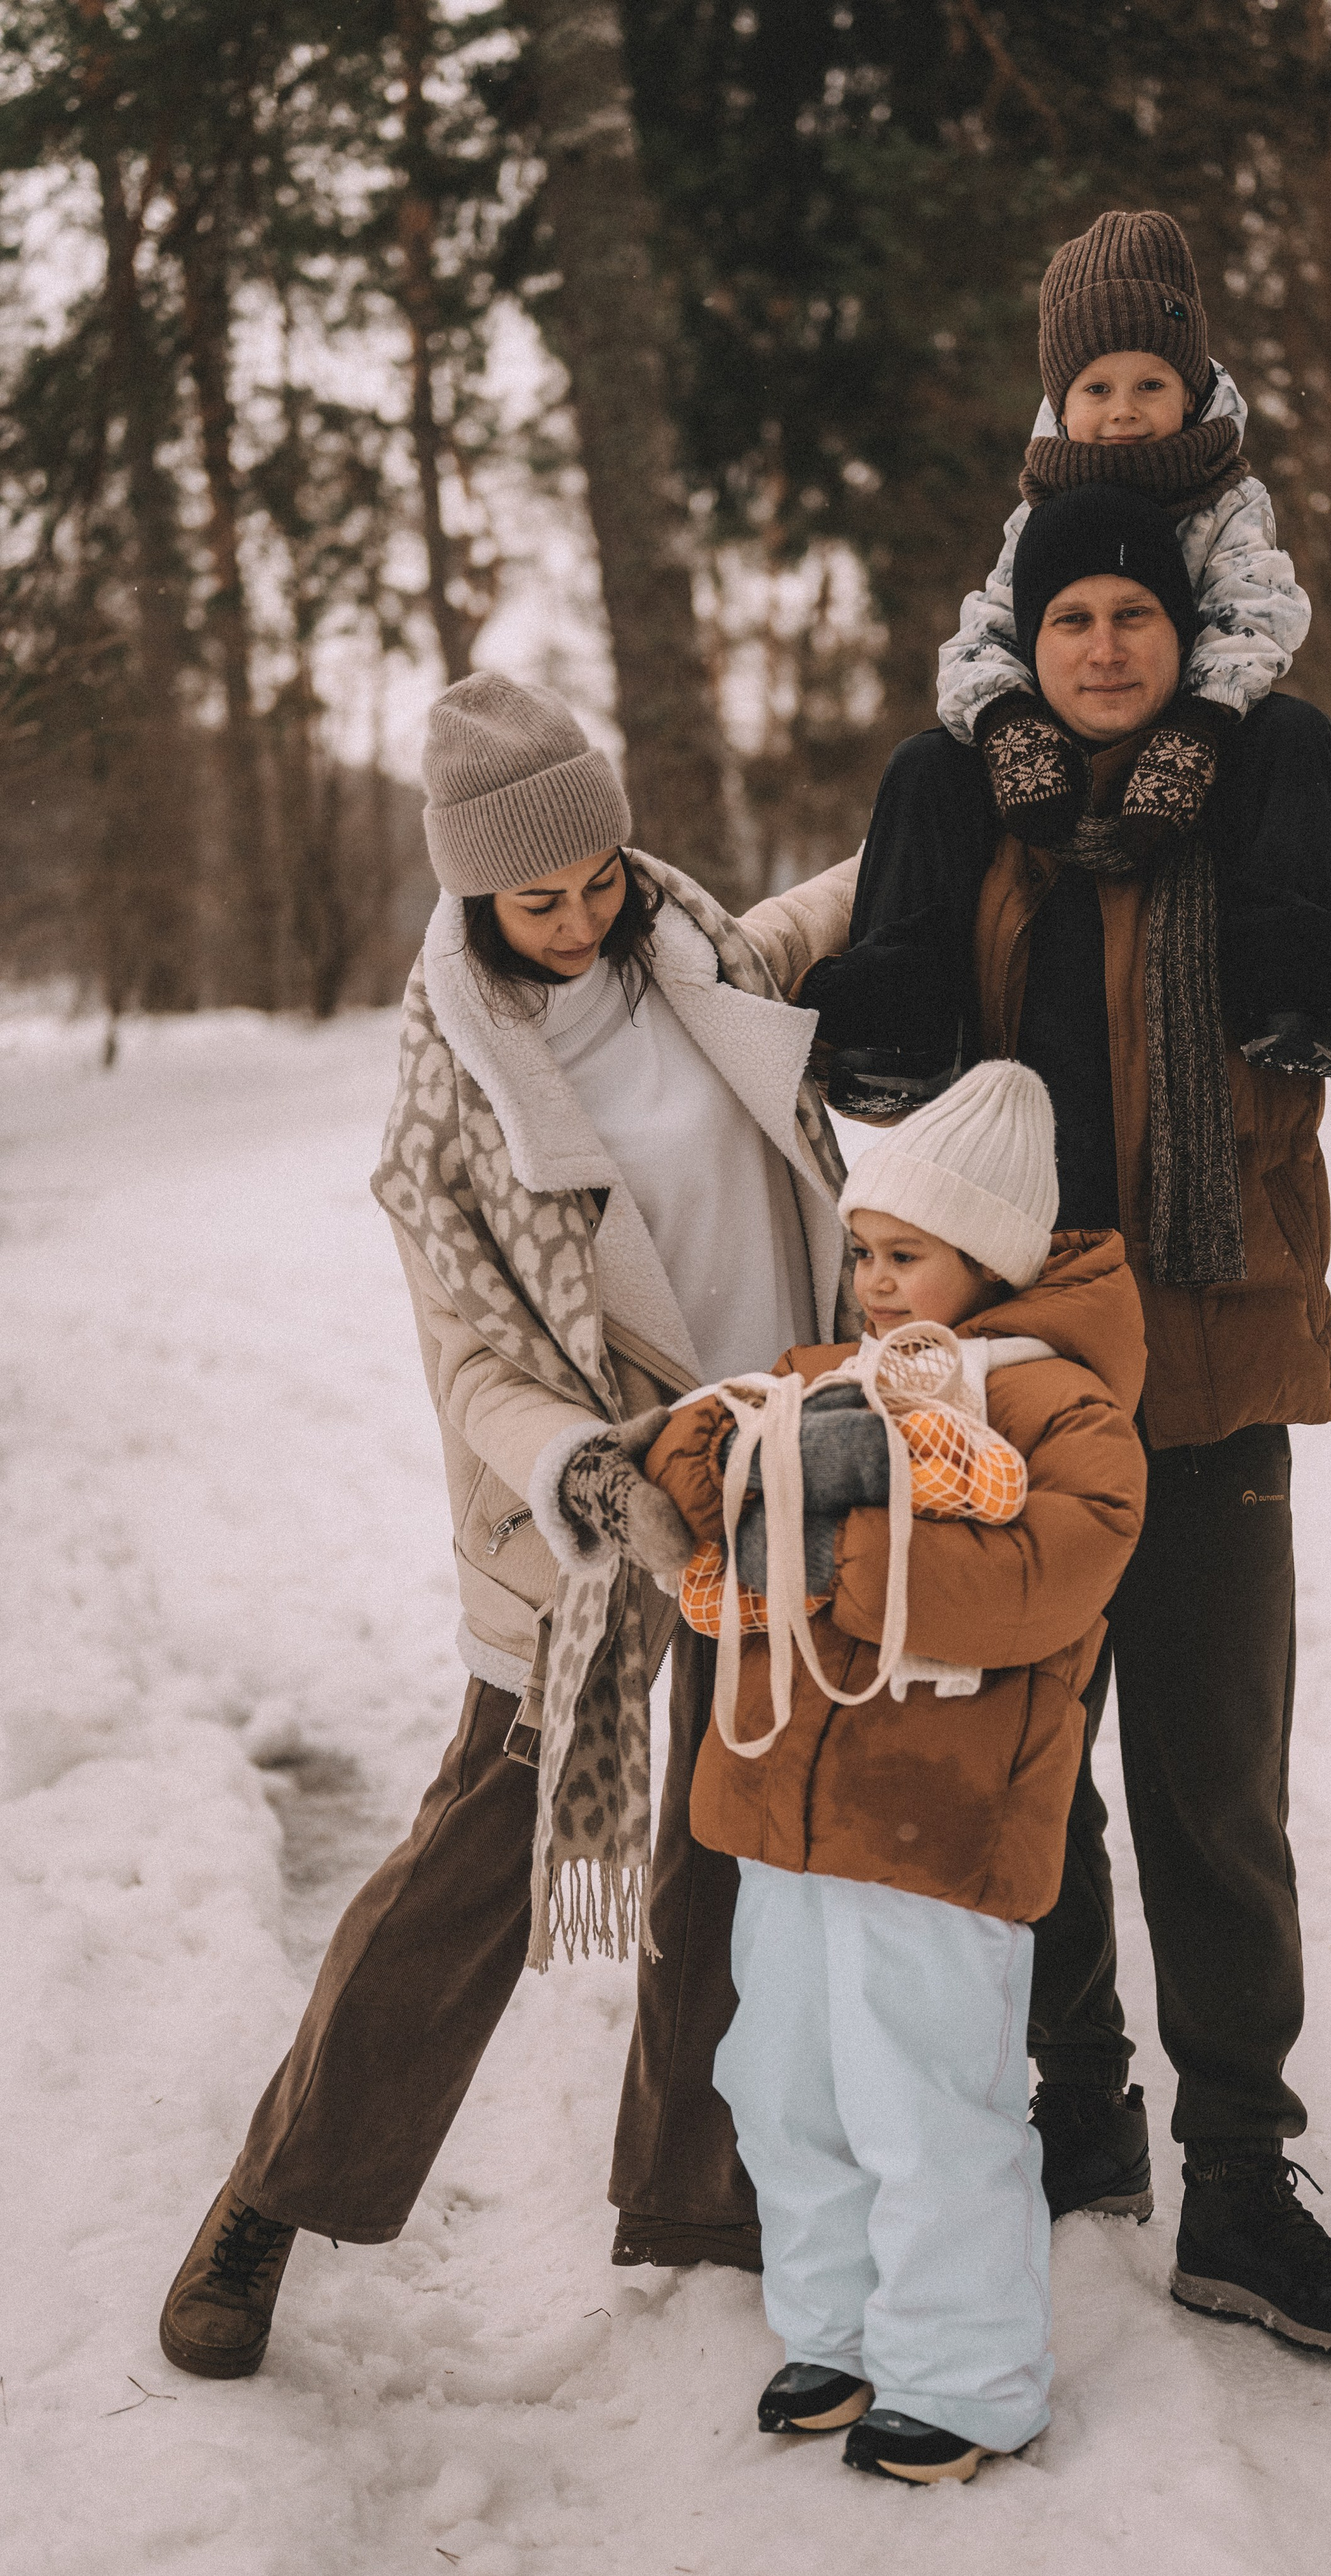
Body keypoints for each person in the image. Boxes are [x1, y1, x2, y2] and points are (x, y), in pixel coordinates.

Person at [633, 484, 1331, 2362]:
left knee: (1214, 1784)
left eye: (1137, 615)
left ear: (1186, 634)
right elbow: (831, 1020)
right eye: (1073, 614)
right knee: (1022, 1750)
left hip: (1216, 1372)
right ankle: (1072, 2105)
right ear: (1029, 631)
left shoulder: (1273, 796)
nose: (1105, 645)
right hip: (997, 1385)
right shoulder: (961, 809)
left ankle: (1244, 2178)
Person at [154, 671, 857, 2379]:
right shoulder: (447, 1099)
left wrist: (952, 788)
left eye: (598, 875)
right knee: (469, 1874)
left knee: (739, 1846)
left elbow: (824, 909)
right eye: (536, 896)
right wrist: (591, 1472)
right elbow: (472, 1360)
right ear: (472, 891)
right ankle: (273, 2191)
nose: (577, 915)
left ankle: (699, 2197)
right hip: (591, 1530)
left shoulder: (691, 959)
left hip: (767, 1479)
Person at [641, 1061, 1147, 2483]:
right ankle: (839, 2329)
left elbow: (1053, 1573)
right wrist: (734, 1460)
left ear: (988, 1259)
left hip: (935, 1824)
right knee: (782, 2079)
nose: (867, 1281)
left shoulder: (1066, 1414)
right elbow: (700, 1445)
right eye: (860, 1251)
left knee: (925, 2095)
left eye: (901, 1255)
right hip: (781, 1815)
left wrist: (844, 1549)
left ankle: (967, 2375)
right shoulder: (833, 1380)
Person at [818, 206, 1331, 1115]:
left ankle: (1288, 977)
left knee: (1297, 739)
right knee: (925, 764)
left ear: (1189, 392)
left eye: (1150, 384)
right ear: (1061, 401)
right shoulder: (1037, 511)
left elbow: (1256, 617)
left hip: (1204, 724)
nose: (1124, 414)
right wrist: (1007, 722)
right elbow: (983, 636)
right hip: (1062, 736)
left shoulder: (1227, 498)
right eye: (1098, 389)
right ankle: (902, 1014)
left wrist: (1198, 726)